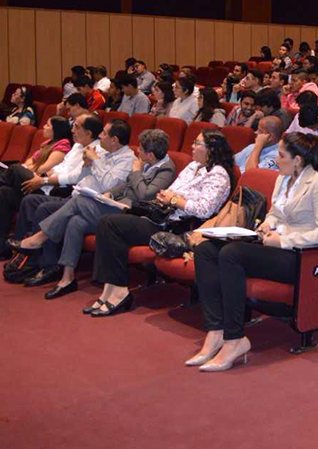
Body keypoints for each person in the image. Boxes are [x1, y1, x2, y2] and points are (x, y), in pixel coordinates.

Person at [190, 133, 318, 371]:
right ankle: (215, 330)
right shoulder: (283, 179)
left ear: (298, 160)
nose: (276, 159)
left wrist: (284, 240)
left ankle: (234, 338)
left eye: (281, 155)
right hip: (273, 246)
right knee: (206, 249)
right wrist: (267, 224)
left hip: (298, 256)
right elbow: (277, 213)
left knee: (231, 254)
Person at [89, 130, 234, 316]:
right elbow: (170, 191)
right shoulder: (192, 166)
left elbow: (205, 209)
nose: (192, 146)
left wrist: (174, 200)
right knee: (107, 223)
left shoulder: (218, 175)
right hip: (161, 217)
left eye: (197, 143)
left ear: (211, 150)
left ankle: (118, 291)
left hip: (177, 227)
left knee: (111, 224)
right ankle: (110, 289)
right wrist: (165, 196)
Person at [12, 129, 175, 294]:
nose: (137, 151)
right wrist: (111, 193)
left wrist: (137, 172)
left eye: (140, 149)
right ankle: (67, 278)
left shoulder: (166, 170)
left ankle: (39, 238)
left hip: (133, 215)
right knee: (76, 221)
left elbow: (145, 194)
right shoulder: (147, 163)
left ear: (151, 155)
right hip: (117, 204)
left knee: (79, 201)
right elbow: (126, 185)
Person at [0, 117, 72, 262]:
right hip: (32, 180)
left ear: (56, 129)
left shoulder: (63, 144)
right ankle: (0, 247)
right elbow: (28, 163)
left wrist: (29, 168)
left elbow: (44, 168)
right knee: (3, 192)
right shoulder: (46, 144)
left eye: (48, 124)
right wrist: (28, 168)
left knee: (13, 170)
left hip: (43, 187)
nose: (44, 126)